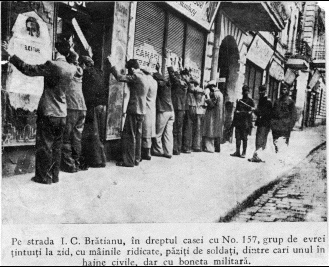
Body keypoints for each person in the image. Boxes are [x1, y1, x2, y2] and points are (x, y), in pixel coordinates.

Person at [2, 40, 78, 184]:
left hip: (48, 111)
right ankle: (54, 177)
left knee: (44, 146)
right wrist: (71, 50)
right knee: (56, 147)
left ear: (56, 51)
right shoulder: (72, 68)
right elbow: (75, 60)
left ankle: (43, 177)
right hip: (62, 113)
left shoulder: (52, 65)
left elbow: (28, 69)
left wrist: (11, 56)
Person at [108, 58, 148, 167]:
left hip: (134, 110)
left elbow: (120, 78)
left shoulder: (136, 76)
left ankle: (128, 161)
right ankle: (137, 159)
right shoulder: (145, 76)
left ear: (132, 69)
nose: (128, 73)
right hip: (142, 110)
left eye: (129, 70)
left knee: (130, 135)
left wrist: (113, 65)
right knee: (138, 135)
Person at [79, 56, 108, 169]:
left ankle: (97, 161)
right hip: (102, 106)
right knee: (98, 133)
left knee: (92, 134)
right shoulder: (99, 72)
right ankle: (101, 159)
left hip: (92, 105)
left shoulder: (86, 73)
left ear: (84, 64)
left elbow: (85, 90)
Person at [61, 51, 87, 172]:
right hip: (82, 107)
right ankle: (76, 162)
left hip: (71, 106)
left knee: (66, 137)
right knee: (77, 137)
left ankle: (70, 165)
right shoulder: (80, 70)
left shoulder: (68, 69)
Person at [152, 63, 174, 159]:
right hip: (171, 111)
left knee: (158, 132)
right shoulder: (167, 84)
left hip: (163, 111)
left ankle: (158, 150)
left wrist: (154, 71)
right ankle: (168, 152)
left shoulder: (160, 84)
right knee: (168, 133)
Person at [168, 58, 188, 155]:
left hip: (177, 107)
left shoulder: (180, 82)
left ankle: (175, 149)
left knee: (175, 129)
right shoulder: (185, 82)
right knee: (178, 129)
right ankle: (177, 148)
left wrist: (169, 62)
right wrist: (179, 65)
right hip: (181, 108)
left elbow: (172, 75)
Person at [248, 85, 272, 163]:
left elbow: (263, 113)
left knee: (260, 140)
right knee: (261, 140)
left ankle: (258, 157)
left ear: (265, 92)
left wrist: (255, 110)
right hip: (263, 123)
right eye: (260, 91)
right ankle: (259, 156)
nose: (260, 93)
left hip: (264, 124)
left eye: (261, 91)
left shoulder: (267, 101)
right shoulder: (263, 100)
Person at [271, 83, 297, 153]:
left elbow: (294, 115)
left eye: (285, 89)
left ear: (287, 91)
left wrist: (290, 126)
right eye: (282, 89)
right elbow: (273, 113)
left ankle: (282, 159)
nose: (283, 91)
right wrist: (272, 124)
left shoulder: (290, 102)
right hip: (276, 127)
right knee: (275, 143)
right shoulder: (277, 101)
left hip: (285, 127)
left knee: (284, 145)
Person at [230, 85, 255, 158]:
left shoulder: (250, 101)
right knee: (237, 137)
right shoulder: (240, 101)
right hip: (239, 122)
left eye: (246, 91)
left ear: (248, 92)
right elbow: (236, 112)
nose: (245, 92)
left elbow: (251, 112)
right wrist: (233, 123)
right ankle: (237, 152)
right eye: (244, 91)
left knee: (244, 138)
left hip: (246, 123)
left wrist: (242, 112)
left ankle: (244, 152)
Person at [141, 65, 158, 160]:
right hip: (152, 107)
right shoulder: (155, 82)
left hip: (146, 107)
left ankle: (145, 152)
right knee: (149, 129)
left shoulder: (146, 81)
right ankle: (148, 150)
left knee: (145, 129)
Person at [202, 80, 224, 153]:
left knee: (210, 130)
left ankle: (210, 148)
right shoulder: (220, 93)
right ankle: (217, 148)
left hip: (213, 114)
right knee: (217, 131)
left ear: (212, 87)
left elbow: (211, 105)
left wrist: (207, 97)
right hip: (219, 114)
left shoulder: (214, 94)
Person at [182, 77, 197, 153]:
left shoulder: (189, 89)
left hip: (189, 106)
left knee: (187, 127)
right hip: (193, 106)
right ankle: (188, 146)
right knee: (190, 127)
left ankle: (186, 147)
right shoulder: (194, 89)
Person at [192, 84, 206, 152]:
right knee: (200, 130)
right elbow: (205, 105)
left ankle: (197, 146)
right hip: (202, 113)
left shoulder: (197, 97)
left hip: (198, 113)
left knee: (197, 130)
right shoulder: (204, 97)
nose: (199, 95)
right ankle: (199, 146)